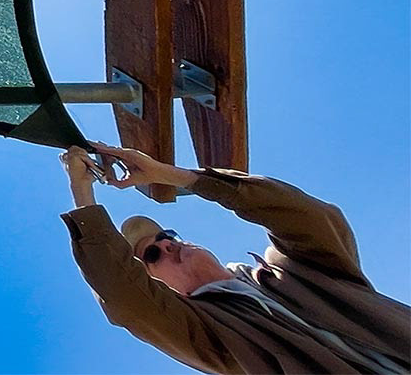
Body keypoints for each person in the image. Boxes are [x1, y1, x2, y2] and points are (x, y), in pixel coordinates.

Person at [60, 140, 410, 374]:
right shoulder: (207, 332)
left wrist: (173, 176)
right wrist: (82, 192)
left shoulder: (293, 269)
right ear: (155, 284)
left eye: (167, 237)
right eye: (151, 253)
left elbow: (312, 218)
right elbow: (127, 298)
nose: (166, 245)